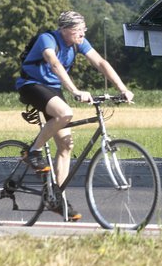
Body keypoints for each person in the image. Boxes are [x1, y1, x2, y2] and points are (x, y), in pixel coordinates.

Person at [16, 11, 134, 221]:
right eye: (78, 29)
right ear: (64, 30)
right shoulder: (48, 39)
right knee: (65, 113)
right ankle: (32, 152)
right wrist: (75, 91)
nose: (82, 33)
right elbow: (54, 64)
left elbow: (101, 63)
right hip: (32, 86)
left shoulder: (79, 43)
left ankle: (56, 198)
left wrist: (123, 88)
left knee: (66, 145)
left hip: (52, 90)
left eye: (84, 29)